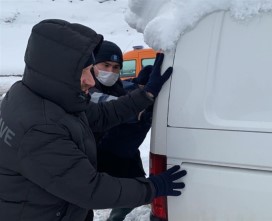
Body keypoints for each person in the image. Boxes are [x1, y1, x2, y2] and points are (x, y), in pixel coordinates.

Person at [0, 19, 186, 221]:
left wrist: (145, 95)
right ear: (58, 71)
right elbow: (91, 190)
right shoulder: (40, 127)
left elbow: (101, 115)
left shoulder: (39, 94)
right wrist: (153, 187)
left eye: (90, 70)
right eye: (84, 72)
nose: (90, 80)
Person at [88, 40, 154, 221]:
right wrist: (143, 101)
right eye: (106, 65)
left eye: (116, 67)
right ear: (93, 64)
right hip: (94, 156)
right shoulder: (87, 89)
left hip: (121, 154)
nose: (110, 72)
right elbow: (114, 106)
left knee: (135, 190)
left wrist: (140, 85)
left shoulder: (116, 85)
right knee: (86, 200)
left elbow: (125, 88)